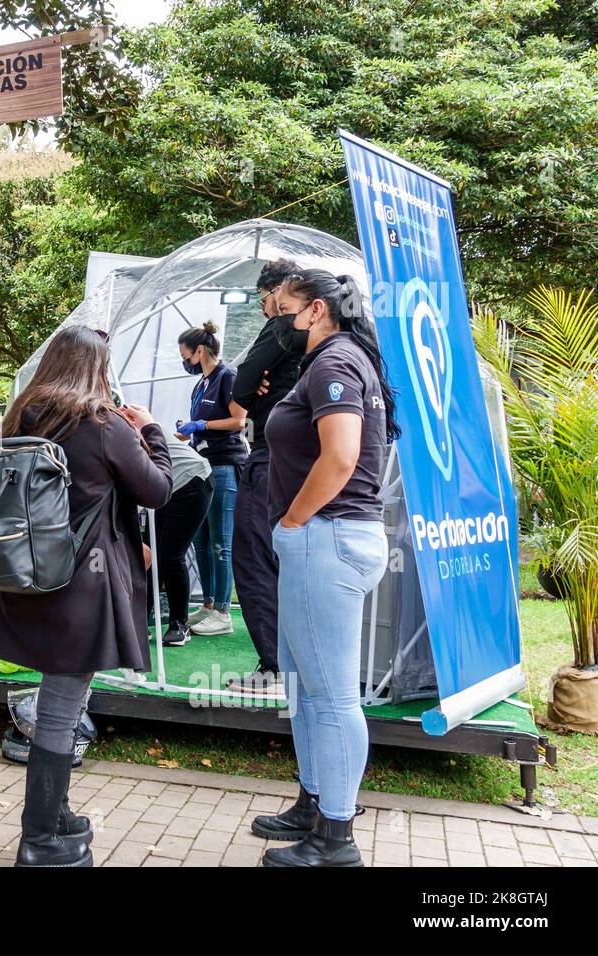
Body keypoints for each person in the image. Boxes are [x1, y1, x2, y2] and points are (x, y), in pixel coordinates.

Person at [0, 326, 172, 867]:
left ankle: (59, 813)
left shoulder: (22, 417)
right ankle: (40, 839)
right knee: (61, 706)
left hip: (30, 578)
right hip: (82, 586)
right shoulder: (103, 424)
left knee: (60, 697)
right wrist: (154, 432)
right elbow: (158, 489)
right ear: (98, 369)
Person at [254, 270, 397, 867]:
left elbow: (340, 458)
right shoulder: (341, 361)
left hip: (326, 537)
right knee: (310, 689)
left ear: (314, 311)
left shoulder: (335, 362)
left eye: (281, 308)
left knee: (333, 697)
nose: (274, 320)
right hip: (329, 538)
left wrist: (292, 522)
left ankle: (335, 840)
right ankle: (314, 804)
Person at [228, 259, 301, 693]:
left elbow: (240, 388)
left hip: (269, 458)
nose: (265, 308)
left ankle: (274, 668)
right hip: (296, 460)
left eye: (266, 299)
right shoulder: (330, 338)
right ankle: (287, 663)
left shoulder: (283, 324)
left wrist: (254, 385)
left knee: (254, 556)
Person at [176, 321, 247, 637]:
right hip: (201, 467)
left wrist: (202, 424)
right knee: (200, 539)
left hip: (223, 466)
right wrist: (187, 431)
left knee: (221, 540)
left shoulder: (227, 376)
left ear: (199, 351)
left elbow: (238, 420)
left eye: (185, 355)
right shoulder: (200, 384)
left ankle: (223, 610)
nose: (185, 361)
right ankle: (207, 604)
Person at [151, 433, 213, 646]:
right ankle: (140, 622)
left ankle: (179, 624)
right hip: (165, 486)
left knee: (170, 555)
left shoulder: (123, 427)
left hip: (191, 481)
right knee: (152, 555)